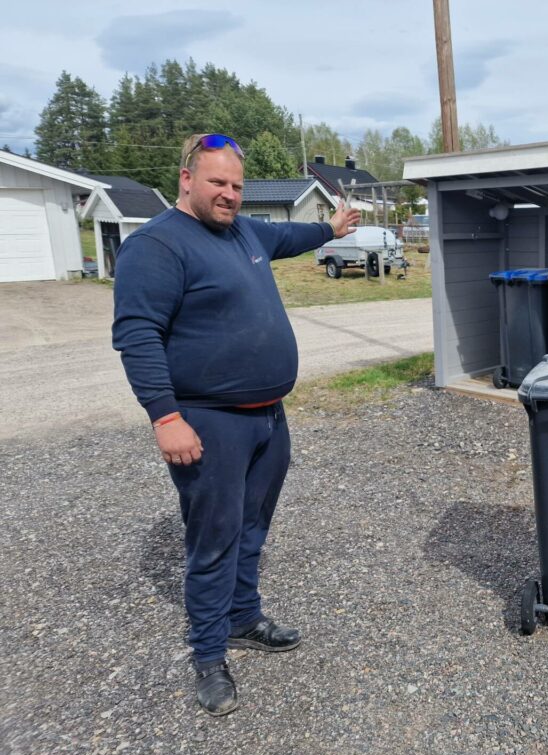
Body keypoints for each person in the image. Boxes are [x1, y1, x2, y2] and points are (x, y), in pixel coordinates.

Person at [112, 133, 361, 716]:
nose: (228, 195)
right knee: (213, 539)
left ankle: (244, 619)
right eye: (217, 182)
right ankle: (207, 654)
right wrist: (165, 416)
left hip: (268, 418)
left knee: (251, 528)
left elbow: (291, 234)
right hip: (208, 421)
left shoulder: (244, 231)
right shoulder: (157, 246)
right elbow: (136, 335)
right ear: (186, 179)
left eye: (236, 186)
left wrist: (332, 229)